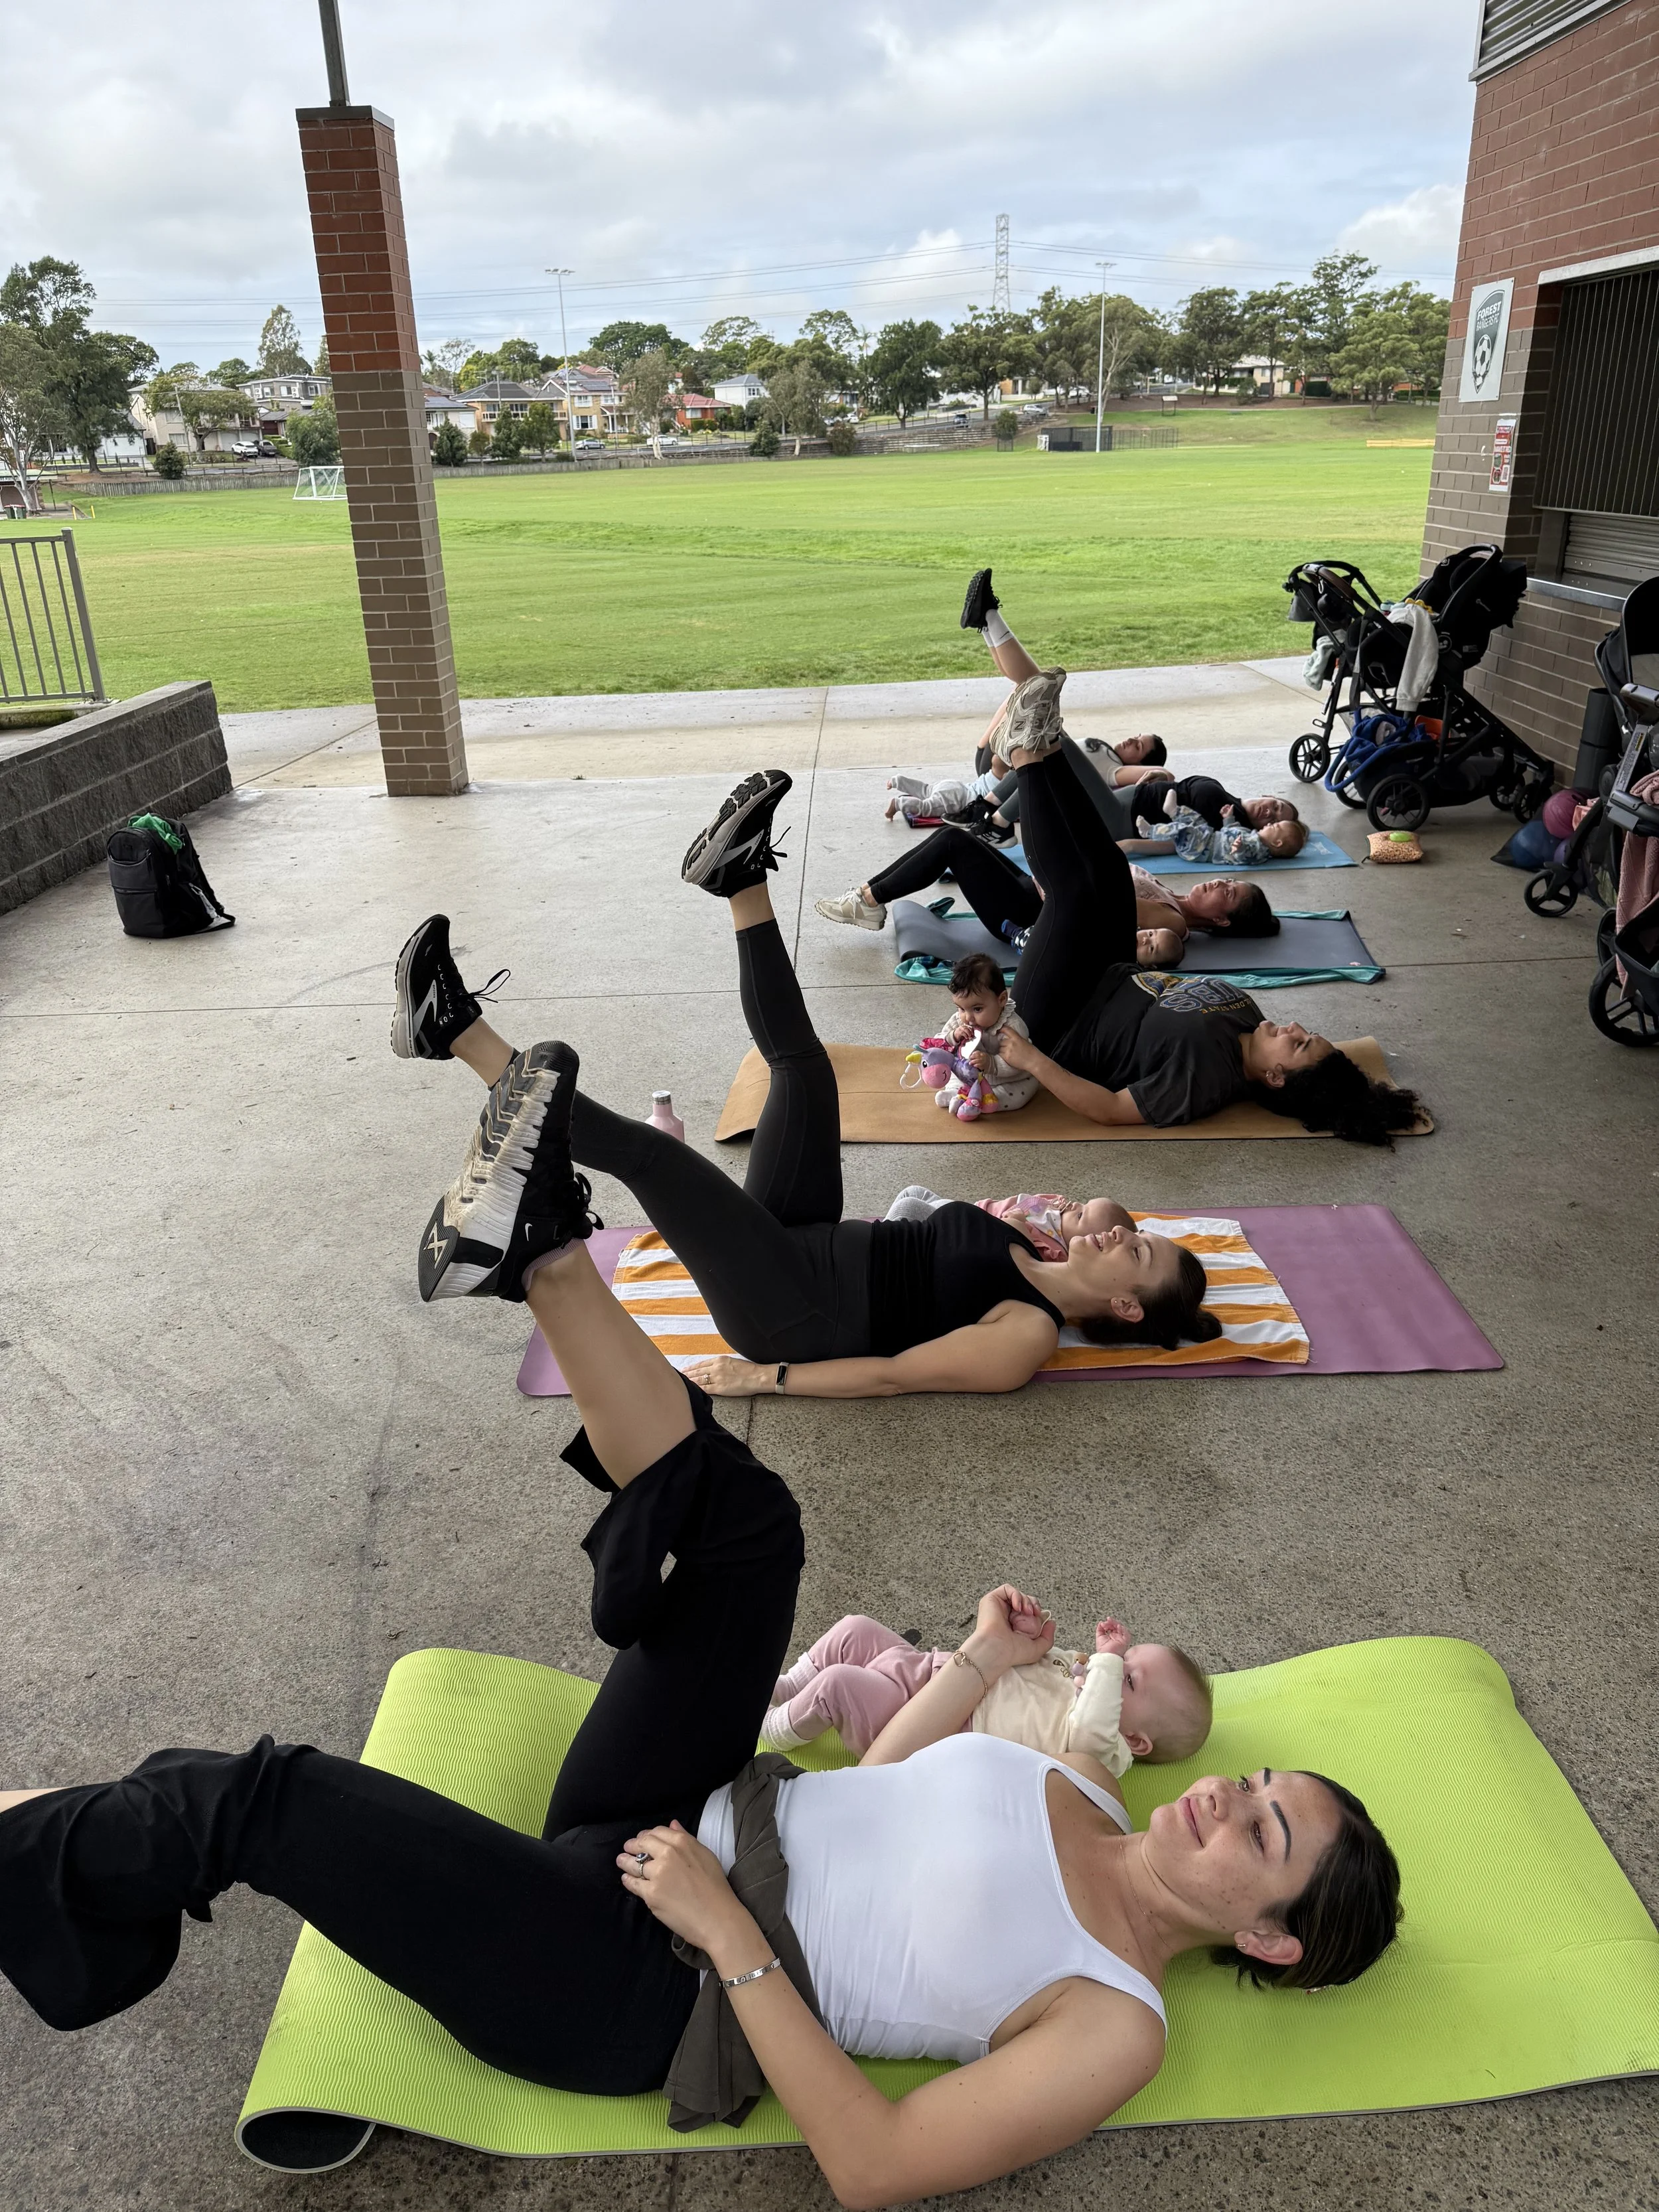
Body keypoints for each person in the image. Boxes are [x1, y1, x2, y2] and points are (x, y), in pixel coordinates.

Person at [0, 1146, 1402, 2200]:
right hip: (687, 1809)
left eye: (1263, 1829)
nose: (1225, 1797)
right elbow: (890, 1783)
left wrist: (724, 1934)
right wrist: (978, 1658)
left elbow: (878, 2160)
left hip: (640, 1975)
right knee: (753, 1529)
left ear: (1269, 1937)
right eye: (1256, 1781)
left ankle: (35, 1863)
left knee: (266, 1796)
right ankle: (544, 1253)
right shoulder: (1086, 1798)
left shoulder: (1114, 2021)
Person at [390, 773, 1216, 1394]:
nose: (1121, 1233)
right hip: (807, 1236)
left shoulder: (1029, 1336)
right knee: (804, 1068)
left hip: (789, 1308)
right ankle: (738, 877)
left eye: (1135, 1251)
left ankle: (456, 1033)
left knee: (653, 1160)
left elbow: (894, 1375)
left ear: (1128, 1311)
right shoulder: (1038, 1246)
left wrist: (767, 1379)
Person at [898, 599, 1425, 1144]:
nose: (1294, 1028)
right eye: (1307, 1033)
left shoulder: (1207, 1078)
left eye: (1297, 1045)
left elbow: (1107, 1109)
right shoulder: (1248, 1017)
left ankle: (1030, 754)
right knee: (1105, 866)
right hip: (1108, 967)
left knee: (1074, 894)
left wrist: (1030, 1058)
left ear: (1274, 1077)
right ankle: (1042, 740)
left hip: (1061, 1016)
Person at [760, 1607, 1212, 1772]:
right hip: (935, 1670)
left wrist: (1109, 1663)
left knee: (838, 1686)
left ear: (1135, 1738)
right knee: (854, 1628)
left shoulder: (1107, 1749)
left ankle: (771, 1728)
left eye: (1126, 1677)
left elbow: (1089, 1732)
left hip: (929, 1724)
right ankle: (784, 1688)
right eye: (1124, 1659)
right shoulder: (1081, 1675)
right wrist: (1027, 1633)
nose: (1109, 1664)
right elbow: (1027, 1665)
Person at [883, 1185, 1136, 1264]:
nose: (1073, 1206)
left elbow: (1009, 1246)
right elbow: (1027, 1202)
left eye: (1080, 1216)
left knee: (909, 1208)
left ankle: (878, 1248)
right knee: (912, 1192)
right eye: (1082, 1203)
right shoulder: (1057, 1208)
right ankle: (883, 1235)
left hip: (962, 1227)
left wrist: (1016, 1221)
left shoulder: (1052, 1252)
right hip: (972, 1207)